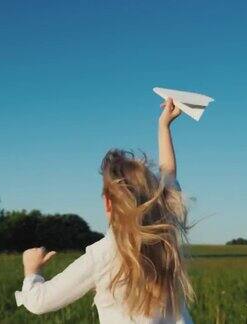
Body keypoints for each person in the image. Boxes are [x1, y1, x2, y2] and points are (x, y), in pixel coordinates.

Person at [14, 97, 194, 323]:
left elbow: (39, 302)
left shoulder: (103, 255)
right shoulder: (165, 232)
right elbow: (169, 175)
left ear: (108, 203)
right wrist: (164, 126)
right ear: (154, 197)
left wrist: (33, 271)